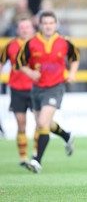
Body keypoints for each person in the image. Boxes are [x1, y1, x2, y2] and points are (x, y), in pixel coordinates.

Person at [0, 17, 75, 167]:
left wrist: (69, 73)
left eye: (27, 27)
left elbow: (70, 57)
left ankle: (36, 157)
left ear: (32, 28)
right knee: (23, 124)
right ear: (17, 29)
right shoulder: (11, 46)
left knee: (41, 123)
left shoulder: (43, 42)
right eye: (22, 27)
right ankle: (23, 158)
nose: (25, 30)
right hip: (18, 90)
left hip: (42, 87)